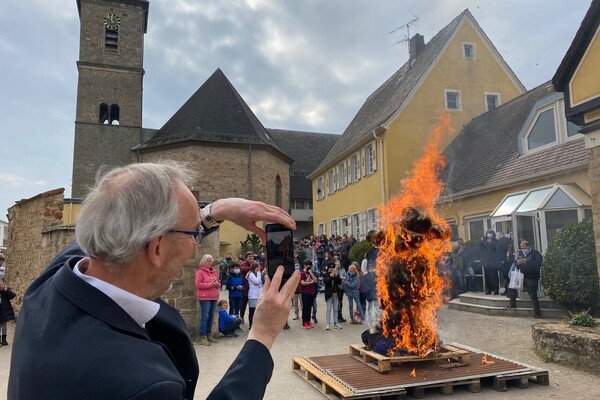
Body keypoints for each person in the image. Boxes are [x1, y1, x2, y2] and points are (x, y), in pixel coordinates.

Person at [8, 161, 300, 400]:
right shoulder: (139, 384)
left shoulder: (53, 279)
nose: (196, 245)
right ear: (157, 248)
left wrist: (212, 213)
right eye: (194, 235)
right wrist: (261, 336)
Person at [195, 255, 220, 346]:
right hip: (205, 297)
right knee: (204, 317)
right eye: (208, 261)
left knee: (211, 316)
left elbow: (219, 284)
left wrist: (217, 284)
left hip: (214, 296)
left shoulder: (214, 272)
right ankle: (202, 336)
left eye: (210, 261)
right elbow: (198, 285)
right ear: (203, 262)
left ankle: (209, 334)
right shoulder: (200, 272)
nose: (209, 263)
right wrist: (210, 284)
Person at [516, 240, 543, 318]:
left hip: (532, 277)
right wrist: (518, 263)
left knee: (533, 295)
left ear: (528, 246)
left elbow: (538, 264)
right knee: (530, 294)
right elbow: (516, 264)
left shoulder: (535, 253)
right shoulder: (521, 254)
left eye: (524, 247)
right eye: (521, 248)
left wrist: (527, 262)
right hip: (523, 276)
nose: (523, 249)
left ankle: (537, 313)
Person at [322, 262, 343, 330]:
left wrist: (336, 276)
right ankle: (328, 324)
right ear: (328, 268)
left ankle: (336, 322)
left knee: (336, 309)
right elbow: (326, 282)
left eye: (332, 268)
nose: (331, 269)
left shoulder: (336, 274)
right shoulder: (325, 275)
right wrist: (331, 276)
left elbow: (339, 282)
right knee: (329, 309)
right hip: (329, 295)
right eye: (330, 268)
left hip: (336, 294)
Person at [481, 229, 500, 295]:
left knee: (494, 276)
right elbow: (482, 251)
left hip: (494, 261)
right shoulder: (484, 242)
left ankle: (496, 289)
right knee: (487, 276)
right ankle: (488, 289)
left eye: (490, 233)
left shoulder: (496, 241)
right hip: (486, 261)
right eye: (488, 233)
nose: (489, 234)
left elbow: (497, 250)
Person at [300, 259, 317, 329]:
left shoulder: (311, 273)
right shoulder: (302, 273)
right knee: (305, 308)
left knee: (310, 308)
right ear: (305, 266)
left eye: (310, 266)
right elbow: (302, 283)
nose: (309, 267)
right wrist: (310, 282)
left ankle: (308, 321)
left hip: (311, 292)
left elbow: (315, 280)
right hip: (305, 292)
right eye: (308, 266)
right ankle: (304, 322)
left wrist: (311, 273)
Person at [246, 262, 263, 330]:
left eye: (259, 267)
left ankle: (258, 325)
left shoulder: (260, 274)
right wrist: (259, 273)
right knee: (252, 311)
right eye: (256, 267)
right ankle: (251, 325)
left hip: (259, 294)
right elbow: (256, 282)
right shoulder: (251, 274)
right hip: (253, 295)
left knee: (259, 311)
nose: (258, 269)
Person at [0, 279, 16, 347]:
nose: (1, 286)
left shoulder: (6, 291)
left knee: (4, 325)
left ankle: (4, 340)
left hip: (4, 310)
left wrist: (6, 290)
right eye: (0, 284)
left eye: (2, 284)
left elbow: (12, 296)